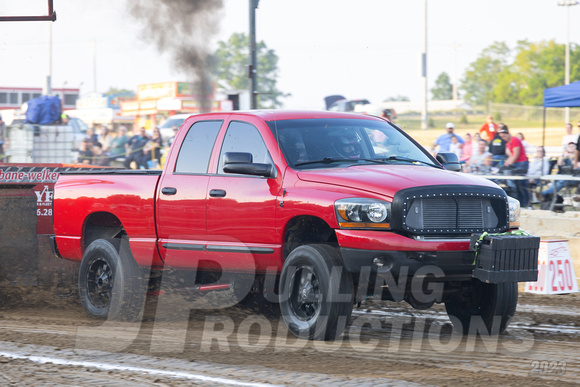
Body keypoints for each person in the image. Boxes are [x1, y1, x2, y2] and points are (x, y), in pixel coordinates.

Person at [498, 124, 530, 207]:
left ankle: (526, 202)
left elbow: (516, 155)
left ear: (508, 133)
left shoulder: (514, 140)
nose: (503, 138)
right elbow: (511, 156)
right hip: (516, 163)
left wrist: (508, 164)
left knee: (522, 185)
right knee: (516, 185)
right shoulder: (508, 143)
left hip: (522, 163)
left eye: (504, 136)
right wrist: (506, 164)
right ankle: (521, 203)